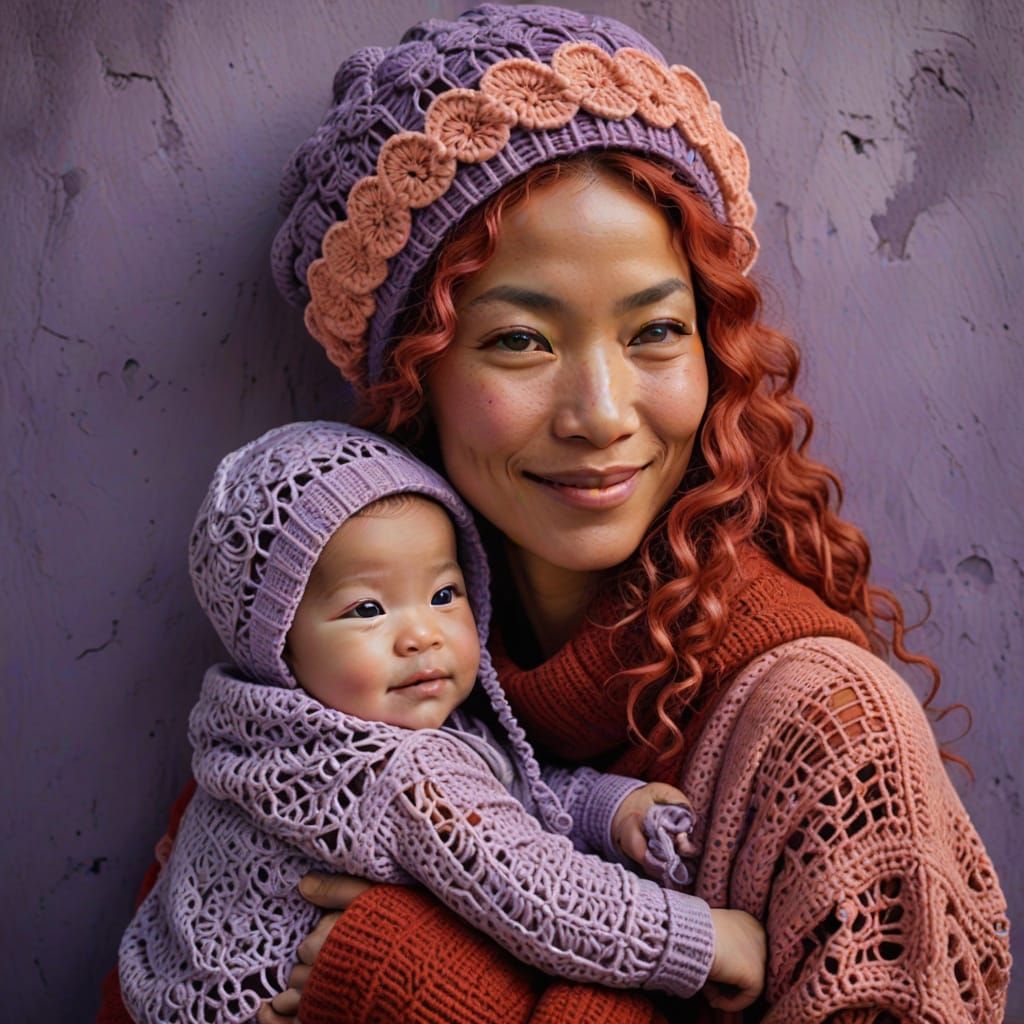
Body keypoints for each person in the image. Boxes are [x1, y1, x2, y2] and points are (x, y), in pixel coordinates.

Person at [98, 4, 1010, 1023]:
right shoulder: (337, 685)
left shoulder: (826, 733)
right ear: (415, 378)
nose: (601, 415)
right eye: (521, 341)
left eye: (655, 331)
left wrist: (454, 997)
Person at [117, 420, 766, 1024]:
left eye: (444, 593)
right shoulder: (398, 771)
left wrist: (607, 808)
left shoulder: (263, 732)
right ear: (277, 643)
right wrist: (703, 942)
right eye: (368, 608)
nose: (421, 635)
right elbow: (542, 896)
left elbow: (498, 795)